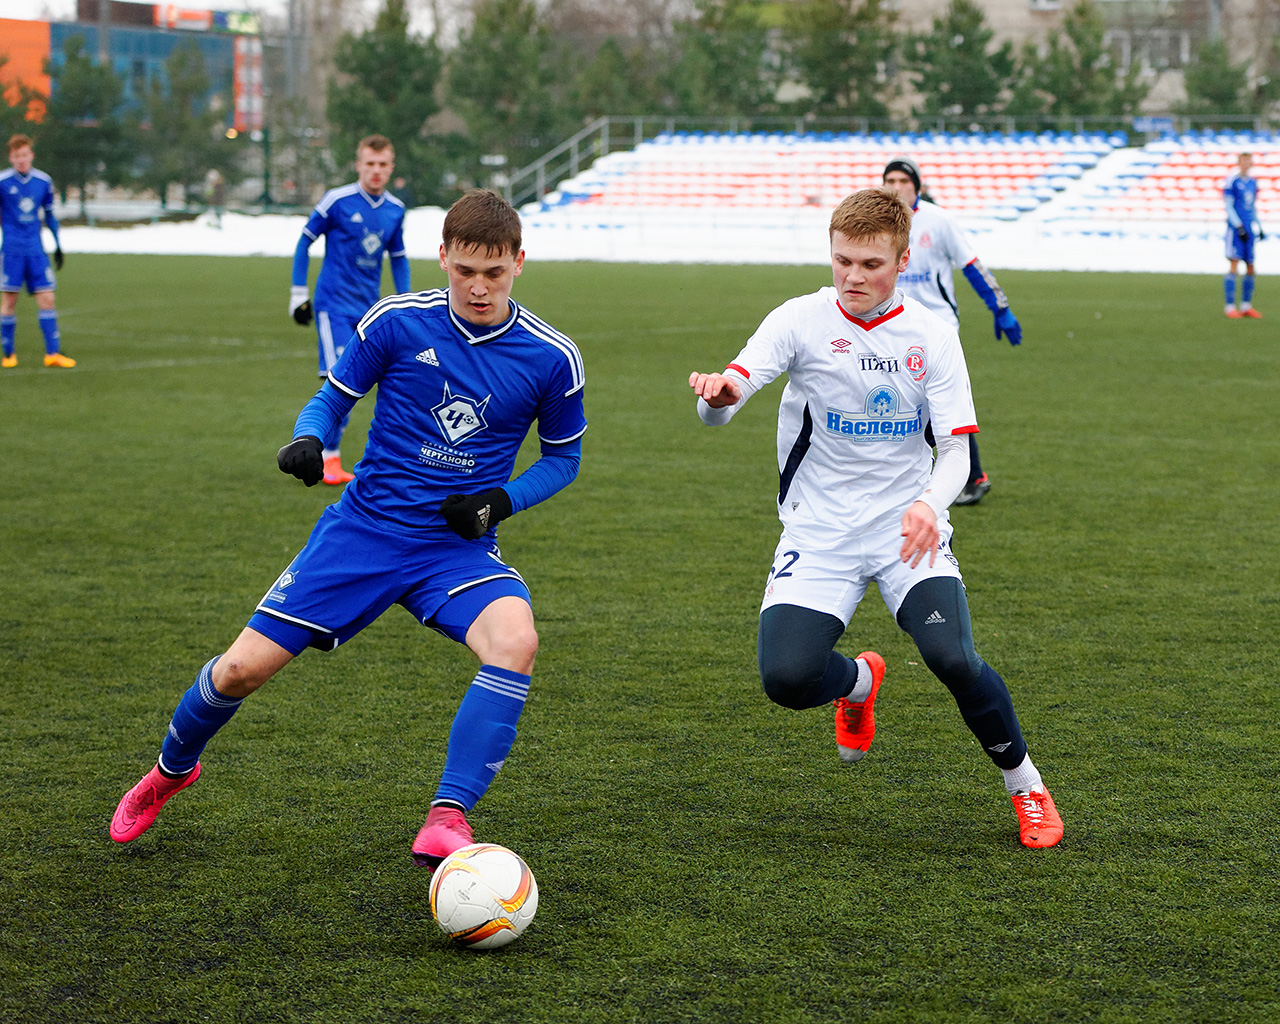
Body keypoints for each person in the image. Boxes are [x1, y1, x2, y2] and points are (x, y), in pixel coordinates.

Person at [111, 189, 588, 868]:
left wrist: (498, 503)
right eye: (465, 271)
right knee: (240, 671)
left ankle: (447, 817)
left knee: (516, 641)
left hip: (453, 550)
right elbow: (331, 400)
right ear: (443, 257)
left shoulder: (551, 357)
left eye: (494, 272)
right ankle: (170, 770)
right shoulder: (397, 322)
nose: (479, 288)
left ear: (519, 262)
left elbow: (564, 459)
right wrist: (308, 438)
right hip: (362, 532)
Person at [687, 187, 1063, 849]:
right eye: (842, 261)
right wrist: (716, 398)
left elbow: (956, 452)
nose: (853, 277)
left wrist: (927, 505)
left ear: (903, 259)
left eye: (870, 264)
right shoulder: (799, 319)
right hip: (819, 530)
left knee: (953, 657)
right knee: (786, 679)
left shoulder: (932, 335)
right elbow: (726, 400)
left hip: (904, 530)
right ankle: (859, 682)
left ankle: (1026, 785)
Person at [882, 157, 1021, 506]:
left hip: (938, 329)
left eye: (903, 180)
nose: (896, 187)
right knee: (895, 403)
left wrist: (1000, 307)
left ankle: (972, 477)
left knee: (944, 404)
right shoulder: (878, 221)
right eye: (890, 180)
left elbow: (971, 266)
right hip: (892, 328)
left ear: (917, 186)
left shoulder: (938, 221)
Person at [290, 134, 410, 484]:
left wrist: (406, 302)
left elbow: (398, 258)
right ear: (358, 165)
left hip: (369, 311)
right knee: (340, 380)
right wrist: (298, 294)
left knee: (380, 384)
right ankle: (328, 457)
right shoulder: (337, 201)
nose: (376, 170)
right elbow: (304, 241)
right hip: (334, 306)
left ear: (391, 168)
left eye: (382, 164)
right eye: (369, 163)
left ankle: (343, 457)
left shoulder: (395, 209)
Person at [1, 134, 74, 369]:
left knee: (48, 299)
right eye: (16, 156)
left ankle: (52, 354)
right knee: (9, 302)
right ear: (11, 158)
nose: (21, 159)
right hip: (11, 251)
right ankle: (9, 354)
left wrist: (58, 244)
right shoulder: (2, 182)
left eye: (24, 154)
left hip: (35, 250)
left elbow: (49, 215)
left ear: (31, 155)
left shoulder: (43, 181)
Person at [1223, 152, 1263, 319]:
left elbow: (1252, 207)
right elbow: (1228, 206)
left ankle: (1246, 305)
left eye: (1249, 162)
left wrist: (1259, 226)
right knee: (1234, 264)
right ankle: (1230, 307)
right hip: (1236, 230)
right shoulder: (1232, 181)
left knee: (1250, 266)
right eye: (1243, 162)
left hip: (1249, 229)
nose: (1246, 164)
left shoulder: (1253, 182)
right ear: (1239, 163)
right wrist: (1238, 226)